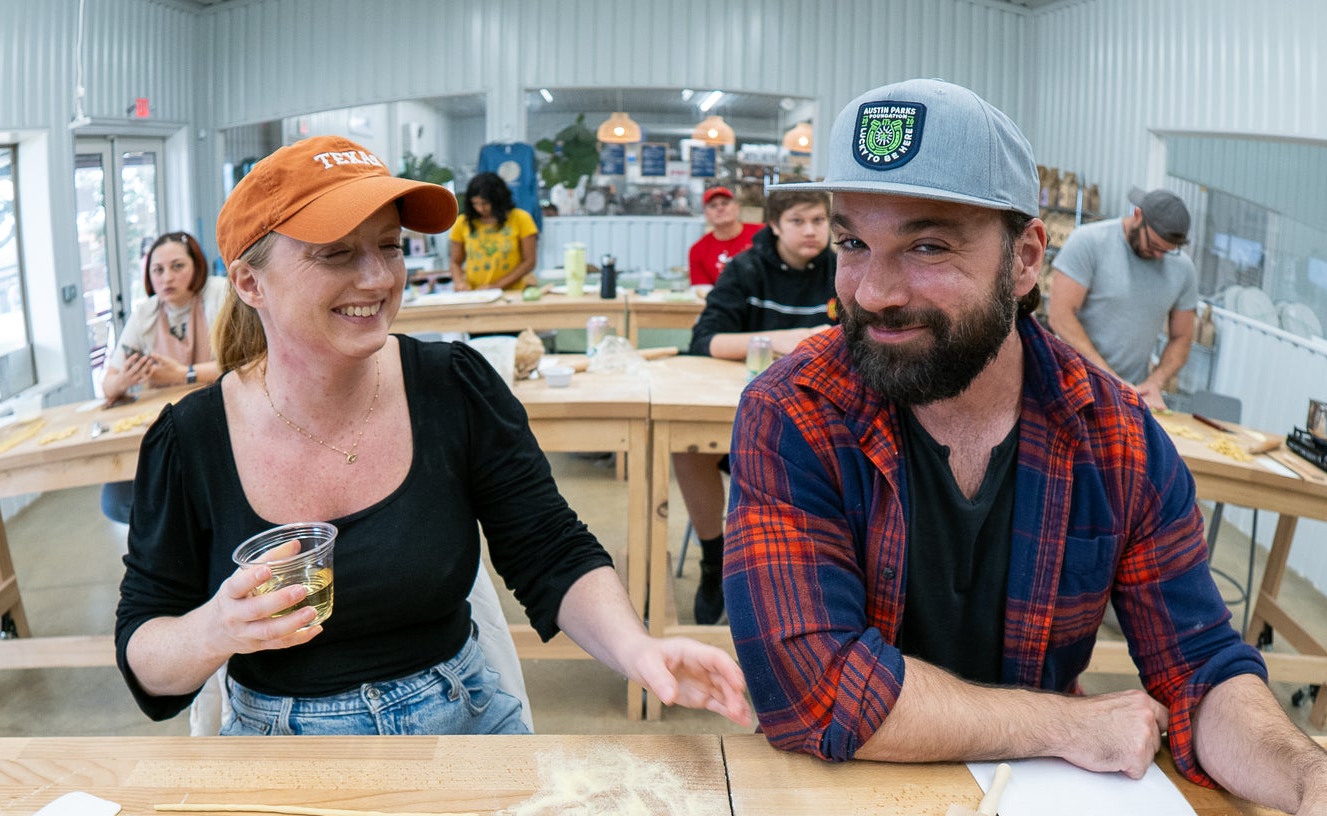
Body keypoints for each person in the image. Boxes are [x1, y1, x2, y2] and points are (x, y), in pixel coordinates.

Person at [723, 80, 1327, 816]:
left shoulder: (1115, 438)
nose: (873, 291)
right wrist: (1067, 724)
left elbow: (1198, 665)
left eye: (926, 246)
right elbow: (816, 692)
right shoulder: (795, 412)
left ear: (1026, 257)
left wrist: (1319, 784)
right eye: (853, 242)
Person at [116, 136, 749, 736]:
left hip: (463, 717)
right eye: (336, 252)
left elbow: (551, 551)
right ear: (250, 282)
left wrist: (636, 648)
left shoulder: (452, 387)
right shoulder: (191, 439)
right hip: (280, 741)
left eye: (389, 247)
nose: (378, 279)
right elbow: (147, 657)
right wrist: (215, 630)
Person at [678, 188, 840, 625]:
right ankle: (714, 561)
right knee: (687, 448)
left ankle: (824, 581)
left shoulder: (843, 267)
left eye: (820, 222)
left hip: (821, 419)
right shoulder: (746, 269)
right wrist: (778, 341)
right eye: (798, 222)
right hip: (746, 415)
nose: (811, 231)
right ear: (773, 225)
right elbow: (703, 341)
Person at [100, 230, 230, 527]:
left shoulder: (220, 294)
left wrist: (183, 374)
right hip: (164, 424)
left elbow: (245, 364)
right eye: (157, 270)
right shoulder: (144, 314)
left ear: (196, 265)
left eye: (177, 266)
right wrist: (124, 381)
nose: (166, 277)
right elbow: (108, 384)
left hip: (217, 416)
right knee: (116, 500)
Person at [1046, 188, 1198, 409]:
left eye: (1166, 251)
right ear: (1138, 215)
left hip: (1129, 396)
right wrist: (1109, 378)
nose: (1158, 255)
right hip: (1070, 385)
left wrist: (1155, 382)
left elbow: (1182, 338)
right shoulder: (1089, 242)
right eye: (1154, 245)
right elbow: (1059, 317)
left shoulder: (1183, 269)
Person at [448, 171, 537, 292]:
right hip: (476, 295)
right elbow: (455, 262)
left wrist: (497, 286)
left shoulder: (521, 219)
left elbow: (529, 262)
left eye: (485, 203)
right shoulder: (462, 222)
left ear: (498, 200)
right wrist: (459, 282)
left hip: (512, 293)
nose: (480, 208)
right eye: (475, 203)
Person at [686, 185, 757, 290]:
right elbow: (701, 291)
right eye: (713, 205)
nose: (720, 208)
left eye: (725, 203)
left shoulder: (761, 233)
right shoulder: (698, 250)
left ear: (737, 207)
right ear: (706, 214)